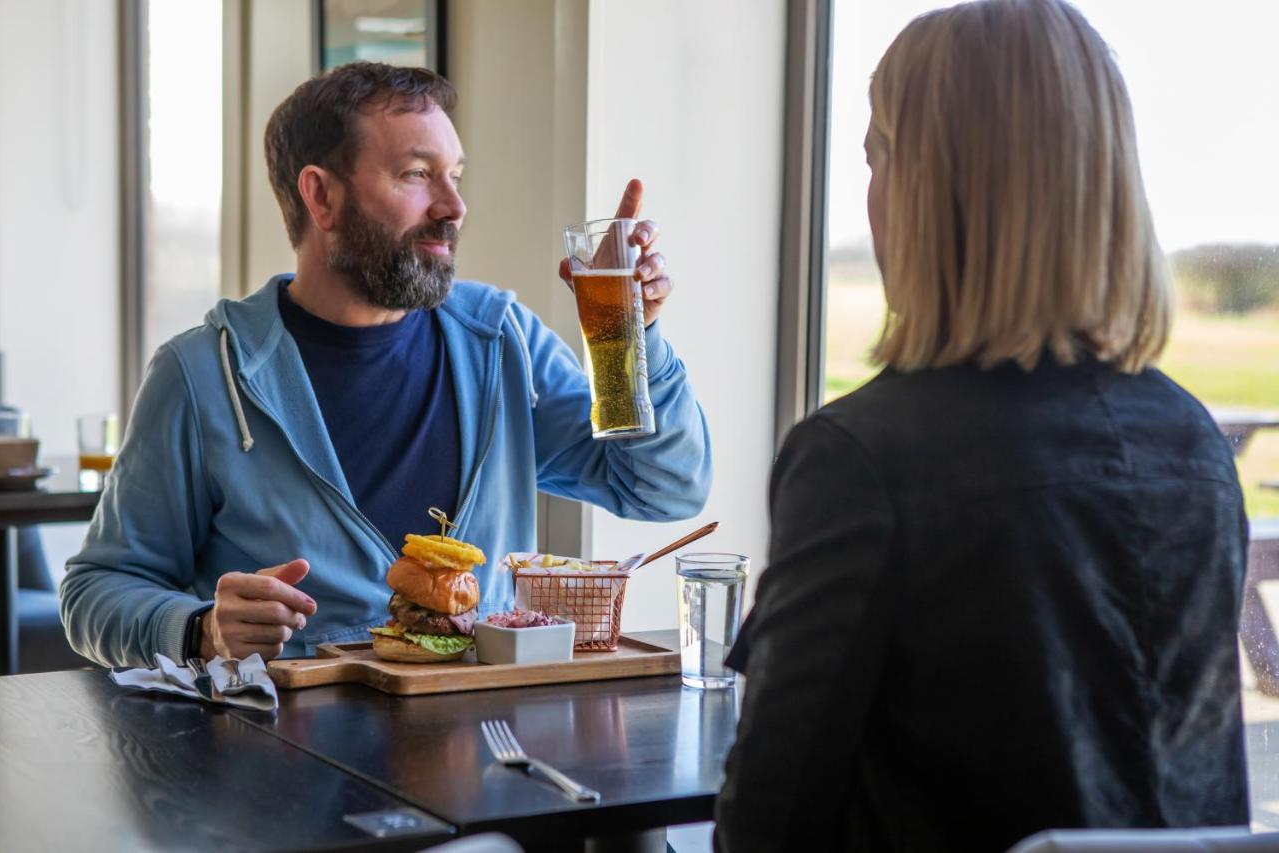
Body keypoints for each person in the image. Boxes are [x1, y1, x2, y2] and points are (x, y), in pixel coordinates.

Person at [715, 1, 1247, 850]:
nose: (873, 193)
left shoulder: (861, 459)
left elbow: (766, 826)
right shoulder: (1192, 441)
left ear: (931, 187)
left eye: (877, 155)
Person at [61, 62, 711, 667]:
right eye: (416, 174)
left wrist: (624, 332)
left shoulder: (503, 344)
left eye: (455, 174)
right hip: (284, 771)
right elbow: (96, 589)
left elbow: (660, 485)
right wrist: (201, 628)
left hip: (490, 767)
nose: (453, 206)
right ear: (322, 197)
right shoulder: (202, 375)